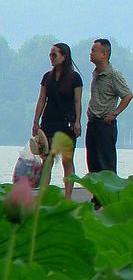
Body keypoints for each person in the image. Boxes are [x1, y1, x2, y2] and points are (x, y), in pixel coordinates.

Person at [31, 42, 83, 199]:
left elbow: (77, 102)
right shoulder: (47, 77)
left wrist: (78, 121)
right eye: (50, 55)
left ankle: (67, 196)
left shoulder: (74, 78)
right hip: (48, 122)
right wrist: (35, 121)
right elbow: (41, 100)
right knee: (46, 160)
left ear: (64, 56)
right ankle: (44, 194)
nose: (51, 58)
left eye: (54, 55)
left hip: (66, 122)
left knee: (67, 160)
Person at [86, 38, 133, 174]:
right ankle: (96, 195)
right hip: (93, 122)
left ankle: (108, 194)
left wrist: (115, 113)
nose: (91, 53)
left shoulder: (113, 74)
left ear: (104, 54)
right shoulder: (96, 72)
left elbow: (127, 95)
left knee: (106, 163)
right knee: (93, 163)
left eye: (94, 51)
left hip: (104, 124)